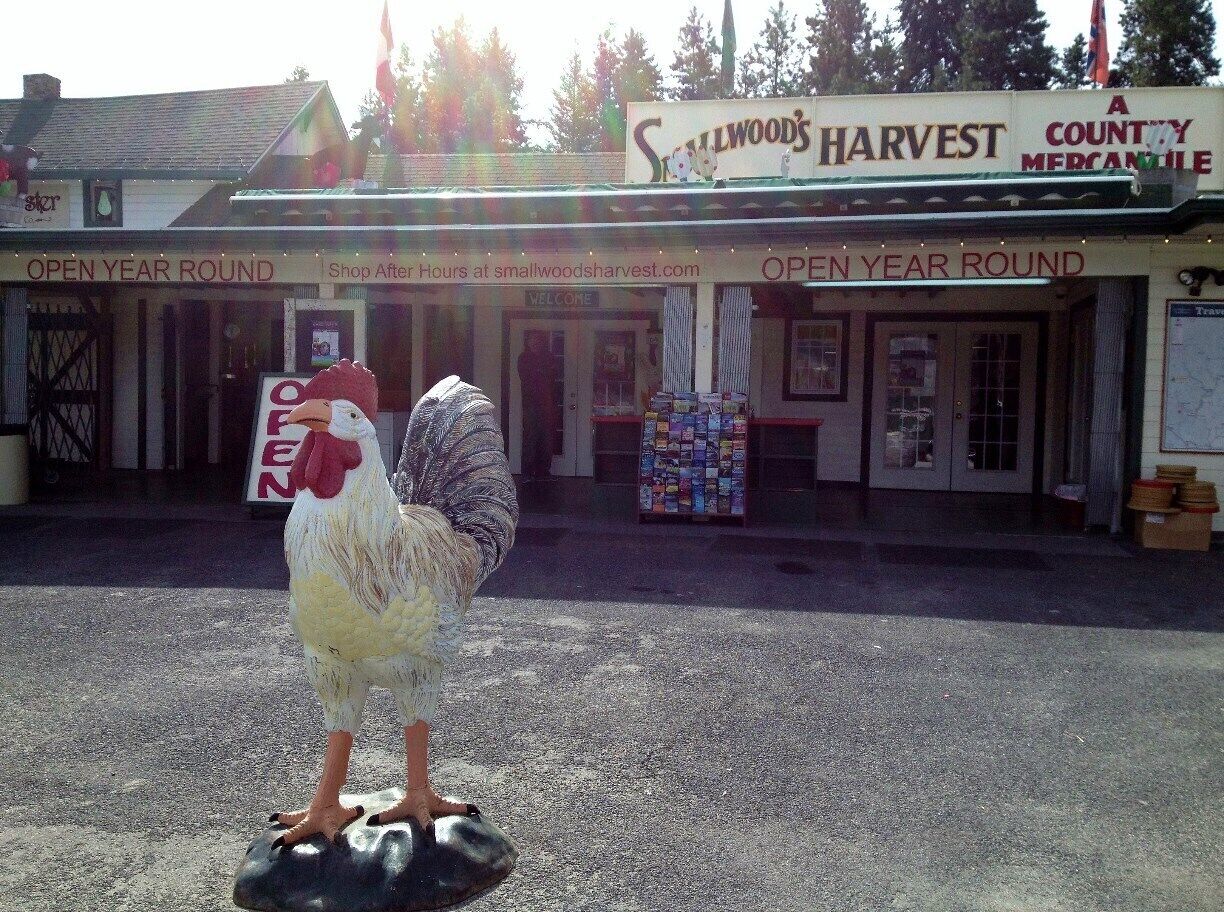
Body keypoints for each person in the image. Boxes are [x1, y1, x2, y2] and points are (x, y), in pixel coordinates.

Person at [517, 332, 558, 479]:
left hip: (547, 404)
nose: (535, 343)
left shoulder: (549, 357)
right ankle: (527, 473)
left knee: (547, 439)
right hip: (530, 405)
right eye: (532, 340)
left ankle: (544, 472)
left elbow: (552, 375)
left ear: (542, 342)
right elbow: (526, 376)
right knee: (530, 438)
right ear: (528, 342)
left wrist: (540, 373)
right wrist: (540, 372)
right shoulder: (523, 358)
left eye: (538, 340)